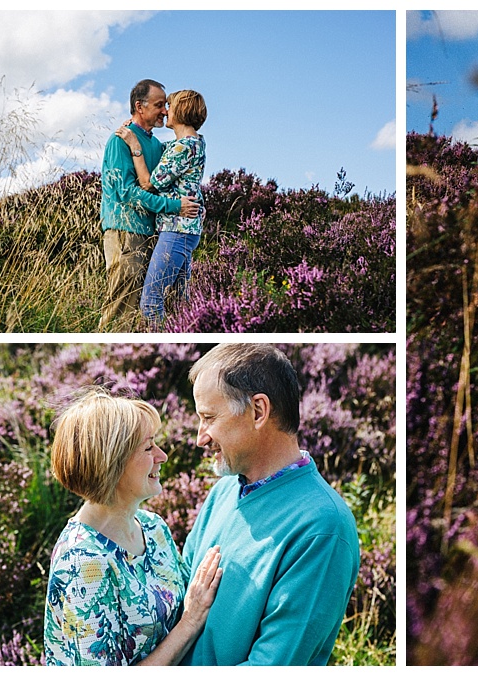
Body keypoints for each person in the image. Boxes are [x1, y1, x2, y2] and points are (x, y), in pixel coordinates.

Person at [180, 344, 360, 665]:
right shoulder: (222, 492)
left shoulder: (323, 529)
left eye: (208, 417)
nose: (200, 437)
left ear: (259, 411)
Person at [43, 391, 223, 665]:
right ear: (111, 462)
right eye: (148, 447)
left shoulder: (153, 528)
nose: (162, 456)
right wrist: (190, 621)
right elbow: (191, 615)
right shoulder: (83, 563)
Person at [98, 78, 199, 331]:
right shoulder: (119, 141)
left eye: (166, 105)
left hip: (151, 234)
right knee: (121, 310)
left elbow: (181, 152)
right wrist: (174, 206)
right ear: (139, 107)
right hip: (125, 233)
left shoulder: (155, 144)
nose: (165, 111)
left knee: (144, 313)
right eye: (158, 105)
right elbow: (127, 193)